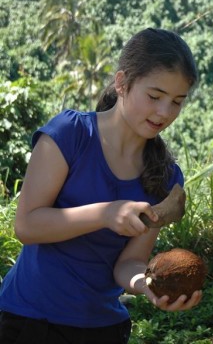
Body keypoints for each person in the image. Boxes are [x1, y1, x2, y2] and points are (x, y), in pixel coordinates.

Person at [0, 28, 202, 343]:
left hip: (102, 329)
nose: (165, 113)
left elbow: (128, 264)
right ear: (122, 83)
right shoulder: (70, 135)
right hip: (28, 319)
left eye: (177, 102)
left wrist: (146, 284)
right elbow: (26, 225)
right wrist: (106, 214)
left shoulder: (165, 176)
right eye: (154, 96)